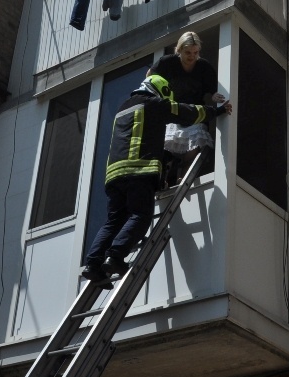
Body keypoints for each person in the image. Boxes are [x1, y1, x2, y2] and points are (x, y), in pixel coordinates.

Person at [81, 74, 232, 286]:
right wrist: (214, 111)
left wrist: (164, 160)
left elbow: (142, 138)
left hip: (114, 175)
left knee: (114, 221)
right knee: (140, 215)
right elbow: (186, 112)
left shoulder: (123, 108)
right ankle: (115, 256)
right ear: (159, 90)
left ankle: (92, 264)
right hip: (138, 172)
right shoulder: (154, 104)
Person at [148, 32, 227, 181]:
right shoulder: (167, 62)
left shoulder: (204, 67)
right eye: (188, 52)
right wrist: (154, 96)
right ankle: (165, 178)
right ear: (179, 50)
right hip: (173, 111)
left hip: (194, 114)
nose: (192, 56)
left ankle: (183, 179)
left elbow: (212, 88)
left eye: (195, 52)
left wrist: (215, 95)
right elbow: (150, 76)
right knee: (165, 147)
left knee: (193, 148)